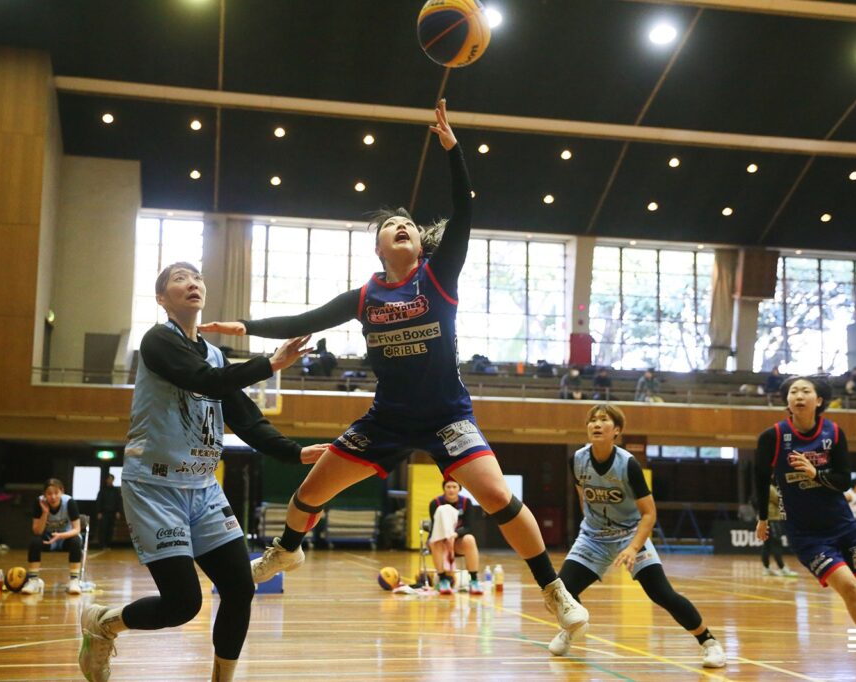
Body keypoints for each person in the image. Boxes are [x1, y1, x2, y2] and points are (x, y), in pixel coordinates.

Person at [199, 101, 588, 643]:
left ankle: (554, 590)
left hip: (447, 417)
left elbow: (465, 210)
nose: (402, 226)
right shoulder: (365, 296)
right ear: (379, 247)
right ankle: (286, 551)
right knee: (307, 494)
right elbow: (304, 320)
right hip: (387, 420)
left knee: (498, 496)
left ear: (418, 243)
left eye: (408, 224)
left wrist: (453, 151)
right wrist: (243, 326)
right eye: (391, 226)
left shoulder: (439, 274)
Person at [78, 261, 323, 682]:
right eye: (179, 278)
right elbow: (204, 380)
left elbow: (246, 419)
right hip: (155, 486)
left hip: (203, 488)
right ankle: (105, 623)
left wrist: (295, 453)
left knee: (240, 588)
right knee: (182, 605)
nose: (192, 283)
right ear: (161, 298)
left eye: (197, 278)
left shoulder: (215, 355)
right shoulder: (158, 341)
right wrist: (269, 363)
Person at [755, 375, 856, 678]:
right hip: (807, 535)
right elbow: (760, 478)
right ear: (787, 400)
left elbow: (843, 479)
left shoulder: (834, 432)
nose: (798, 395)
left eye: (806, 391)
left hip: (842, 525)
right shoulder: (773, 436)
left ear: (818, 401)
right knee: (853, 590)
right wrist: (763, 517)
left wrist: (815, 474)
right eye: (793, 391)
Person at [547, 404, 726, 666]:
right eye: (592, 420)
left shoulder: (628, 464)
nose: (596, 424)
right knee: (562, 591)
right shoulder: (576, 460)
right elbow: (583, 496)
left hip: (629, 534)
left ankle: (709, 642)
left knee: (661, 593)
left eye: (604, 420)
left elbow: (649, 513)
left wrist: (632, 547)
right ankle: (571, 628)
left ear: (616, 431)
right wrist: (592, 527)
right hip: (594, 536)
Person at [22, 478, 83, 595]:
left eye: (56, 493)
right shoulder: (39, 503)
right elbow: (37, 531)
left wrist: (60, 536)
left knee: (76, 541)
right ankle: (34, 581)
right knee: (35, 542)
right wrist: (45, 512)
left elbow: (77, 529)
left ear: (62, 492)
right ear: (44, 494)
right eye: (49, 494)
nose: (53, 497)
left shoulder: (70, 502)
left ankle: (74, 581)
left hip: (65, 537)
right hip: (49, 538)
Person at [428, 478, 483, 595]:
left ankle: (474, 580)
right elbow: (434, 527)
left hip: (457, 540)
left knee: (470, 539)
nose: (451, 490)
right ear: (444, 488)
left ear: (459, 489)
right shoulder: (435, 503)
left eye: (454, 487)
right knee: (434, 542)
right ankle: (443, 580)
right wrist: (444, 537)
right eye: (448, 487)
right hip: (441, 540)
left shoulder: (466, 502)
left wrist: (455, 534)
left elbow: (469, 527)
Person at [761, 483, 797, 577]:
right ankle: (782, 568)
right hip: (772, 519)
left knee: (767, 544)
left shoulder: (765, 486)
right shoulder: (770, 488)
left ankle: (766, 568)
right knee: (776, 543)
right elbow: (779, 500)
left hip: (767, 519)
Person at [95, 474, 122, 549]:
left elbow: (119, 501)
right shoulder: (102, 490)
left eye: (111, 479)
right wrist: (99, 512)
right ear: (106, 480)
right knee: (103, 529)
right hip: (104, 513)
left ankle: (108, 544)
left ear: (113, 480)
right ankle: (102, 544)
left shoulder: (116, 491)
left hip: (113, 513)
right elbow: (99, 501)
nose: (110, 480)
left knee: (110, 529)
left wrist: (118, 511)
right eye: (109, 479)